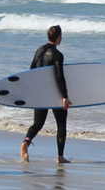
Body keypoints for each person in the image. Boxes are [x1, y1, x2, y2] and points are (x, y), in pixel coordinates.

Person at [20, 25, 72, 163]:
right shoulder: (57, 55)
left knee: (38, 123)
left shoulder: (39, 51)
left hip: (39, 93)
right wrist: (65, 97)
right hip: (54, 94)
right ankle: (60, 157)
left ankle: (26, 142)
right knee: (61, 124)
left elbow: (31, 71)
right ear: (59, 37)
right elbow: (59, 76)